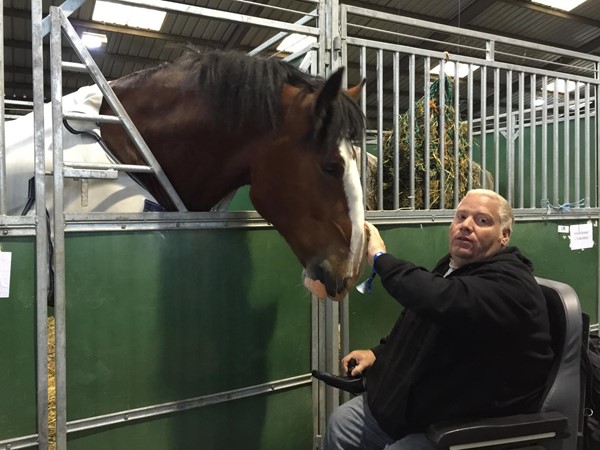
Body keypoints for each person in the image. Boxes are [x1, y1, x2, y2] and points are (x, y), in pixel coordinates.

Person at [324, 189, 554, 450]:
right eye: (461, 217)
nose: (466, 226)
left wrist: (379, 258)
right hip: (427, 405)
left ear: (504, 235)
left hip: (468, 420)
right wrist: (379, 353)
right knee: (342, 424)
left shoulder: (511, 285)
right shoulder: (452, 267)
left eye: (482, 221)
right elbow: (421, 319)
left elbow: (439, 299)